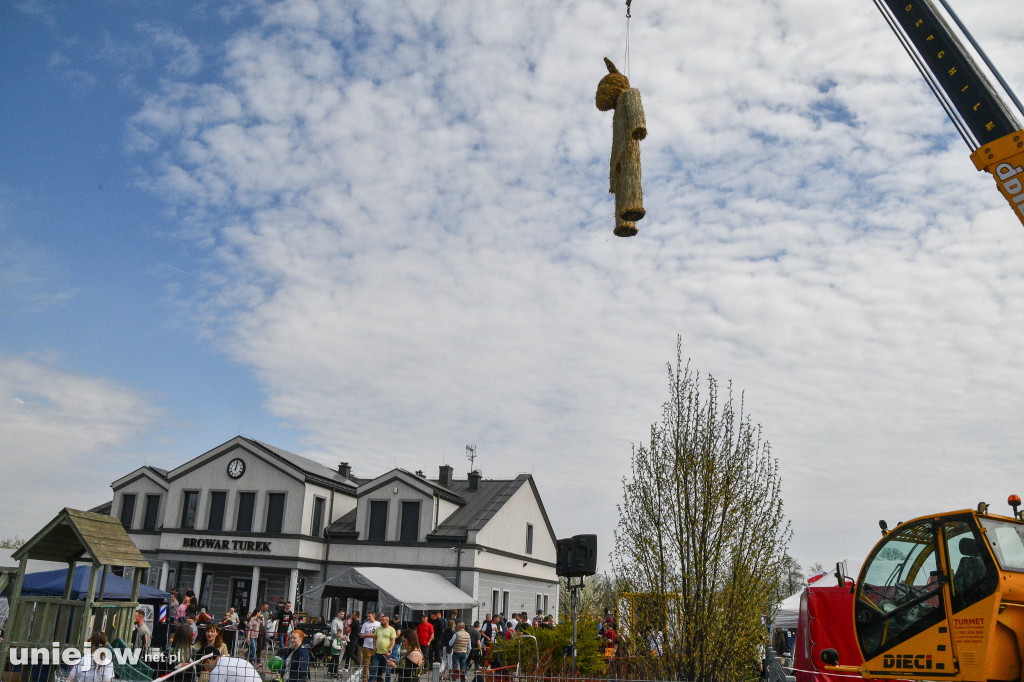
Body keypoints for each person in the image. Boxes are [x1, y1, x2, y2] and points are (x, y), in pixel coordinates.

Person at [370, 615, 396, 682]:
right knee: (374, 669)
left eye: (382, 620)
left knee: (387, 671)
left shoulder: (391, 630)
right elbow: (374, 638)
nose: (380, 621)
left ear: (387, 621)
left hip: (386, 654)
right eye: (380, 620)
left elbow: (393, 641)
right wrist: (374, 647)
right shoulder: (378, 628)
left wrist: (389, 651)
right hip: (378, 653)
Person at [329, 608, 348, 677]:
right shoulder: (335, 621)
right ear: (338, 614)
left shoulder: (341, 621)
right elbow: (333, 631)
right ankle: (332, 671)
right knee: (335, 657)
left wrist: (343, 638)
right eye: (341, 614)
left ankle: (332, 670)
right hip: (335, 640)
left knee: (336, 658)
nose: (343, 615)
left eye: (343, 614)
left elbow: (341, 631)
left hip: (339, 640)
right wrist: (340, 636)